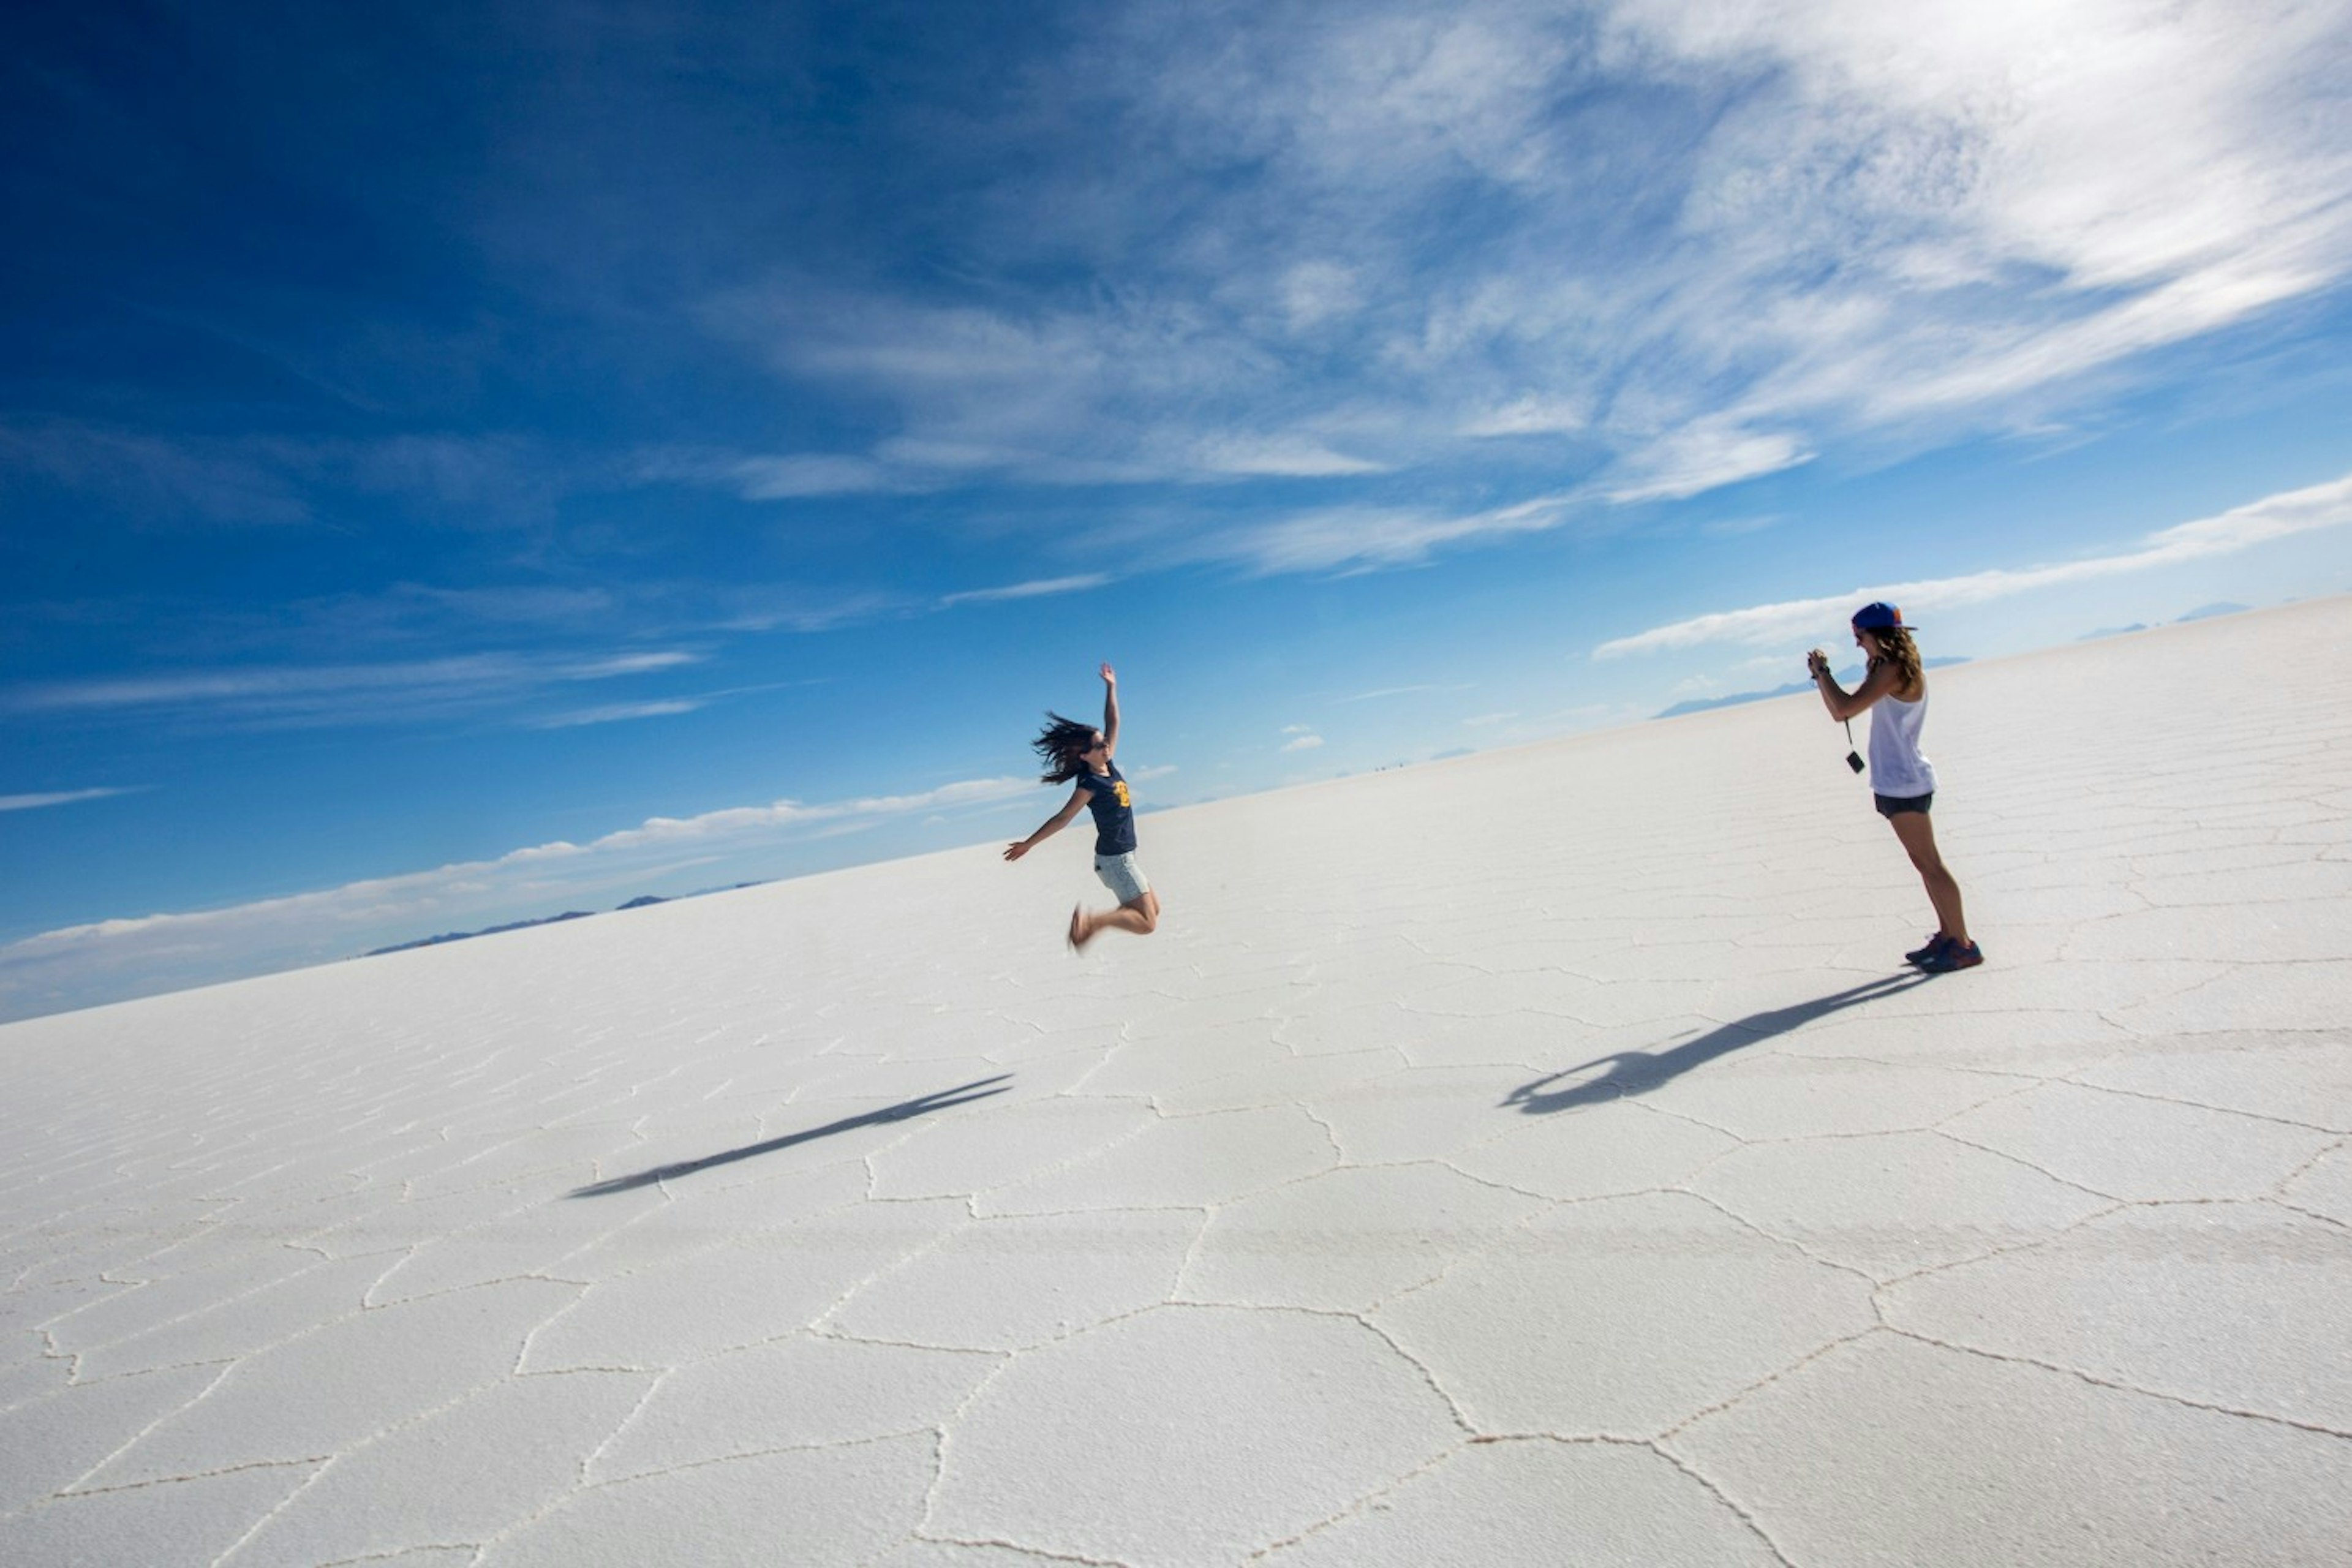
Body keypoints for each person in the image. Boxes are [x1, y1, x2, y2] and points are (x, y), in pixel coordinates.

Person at [1809, 603, 1981, 973]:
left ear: (1879, 635)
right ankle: (1949, 936)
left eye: (1861, 637)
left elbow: (1843, 710)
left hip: (1905, 781)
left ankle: (1963, 944)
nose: (1858, 645)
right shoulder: (1885, 667)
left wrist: (1823, 673)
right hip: (1895, 779)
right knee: (1923, 864)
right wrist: (1821, 677)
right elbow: (1840, 710)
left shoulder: (1892, 669)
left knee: (1931, 864)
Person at [1004, 662, 1159, 951]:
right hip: (1116, 862)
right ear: (1086, 755)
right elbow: (1062, 819)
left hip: (1124, 856)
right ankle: (1092, 923)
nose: (1106, 746)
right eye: (1100, 745)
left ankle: (1094, 923)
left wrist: (1111, 687)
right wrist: (1029, 844)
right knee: (1148, 923)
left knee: (1154, 911)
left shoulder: (1106, 766)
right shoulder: (1090, 784)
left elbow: (1113, 722)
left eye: (1104, 743)